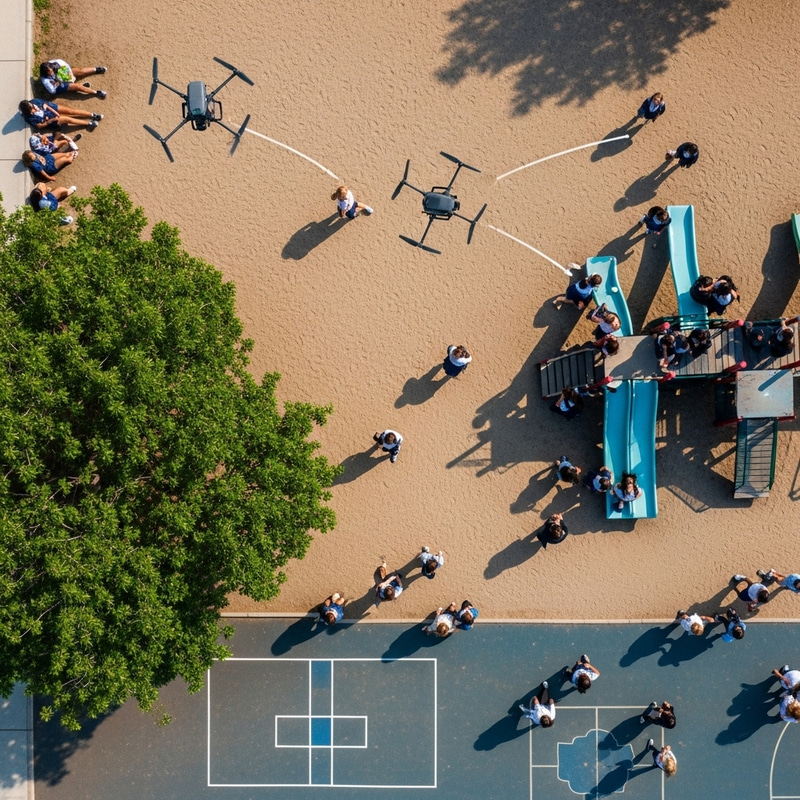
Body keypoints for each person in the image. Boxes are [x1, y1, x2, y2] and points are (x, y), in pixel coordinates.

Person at [19, 98, 101, 131]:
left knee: (71, 111)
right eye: (31, 108)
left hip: (51, 109)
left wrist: (51, 110)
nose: (33, 107)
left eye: (32, 105)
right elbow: (39, 126)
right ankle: (89, 123)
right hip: (51, 120)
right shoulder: (29, 118)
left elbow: (45, 104)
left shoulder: (34, 101)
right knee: (68, 119)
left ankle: (92, 115)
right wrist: (49, 120)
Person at [39, 60, 107, 98]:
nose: (52, 72)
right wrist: (60, 82)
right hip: (58, 86)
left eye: (52, 70)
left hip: (61, 73)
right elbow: (52, 91)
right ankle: (96, 92)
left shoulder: (55, 63)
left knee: (79, 71)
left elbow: (66, 66)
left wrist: (70, 77)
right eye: (50, 72)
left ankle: (97, 69)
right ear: (45, 73)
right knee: (77, 86)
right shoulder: (45, 80)